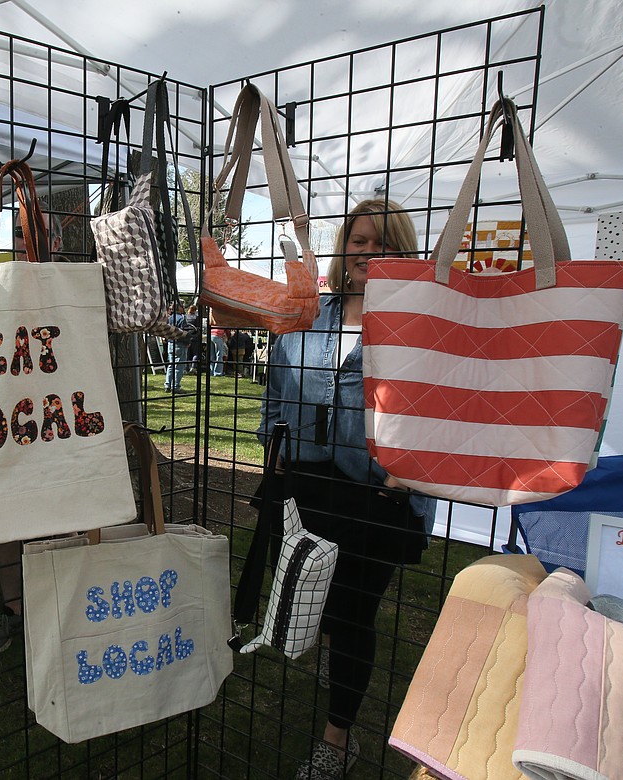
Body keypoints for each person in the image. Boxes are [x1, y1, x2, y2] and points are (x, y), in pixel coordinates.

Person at [258, 199, 435, 780]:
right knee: (319, 601)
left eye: (381, 242)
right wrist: (275, 455)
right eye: (358, 240)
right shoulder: (311, 313)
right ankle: (332, 678)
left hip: (378, 496)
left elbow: (435, 406)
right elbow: (280, 388)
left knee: (355, 614)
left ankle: (337, 739)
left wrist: (409, 470)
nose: (366, 251)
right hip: (310, 487)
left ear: (402, 251)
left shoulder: (421, 323)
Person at [0, 206, 64, 654]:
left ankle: (57, 611)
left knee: (61, 518)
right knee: (4, 520)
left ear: (56, 240)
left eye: (36, 230)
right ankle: (14, 610)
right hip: (6, 427)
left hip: (58, 427)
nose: (25, 236)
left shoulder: (69, 288)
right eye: (18, 229)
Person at [163, 302, 191, 393]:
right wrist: (187, 342)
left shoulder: (169, 318)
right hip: (180, 344)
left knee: (171, 365)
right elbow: (183, 333)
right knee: (179, 366)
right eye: (182, 306)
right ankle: (175, 386)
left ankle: (167, 385)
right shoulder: (181, 319)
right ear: (179, 308)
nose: (183, 308)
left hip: (171, 343)